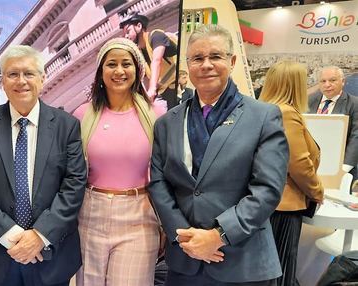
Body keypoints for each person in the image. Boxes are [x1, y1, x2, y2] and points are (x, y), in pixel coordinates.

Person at [148, 24, 288, 285]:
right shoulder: (168, 123)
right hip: (185, 260)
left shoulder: (263, 117)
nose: (206, 65)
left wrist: (218, 234)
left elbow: (267, 189)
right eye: (198, 58)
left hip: (241, 261)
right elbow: (158, 183)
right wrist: (184, 236)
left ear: (232, 61)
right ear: (187, 65)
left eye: (215, 56)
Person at [0, 45, 87, 286]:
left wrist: (39, 236)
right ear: (3, 81)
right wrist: (13, 236)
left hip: (51, 254)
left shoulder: (66, 125)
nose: (21, 81)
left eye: (29, 73)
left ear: (42, 78)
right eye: (12, 74)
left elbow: (74, 184)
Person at [72, 38, 160, 285]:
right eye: (111, 64)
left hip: (139, 216)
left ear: (137, 70)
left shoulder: (157, 115)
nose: (119, 71)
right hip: (89, 214)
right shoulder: (82, 114)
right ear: (101, 71)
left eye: (126, 64)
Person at [259, 60, 324, 286]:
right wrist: (318, 191)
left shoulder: (267, 110)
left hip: (270, 204)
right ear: (294, 85)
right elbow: (298, 163)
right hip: (284, 206)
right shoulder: (286, 114)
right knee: (282, 269)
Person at [307, 66, 358, 184]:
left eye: (332, 80)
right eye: (323, 81)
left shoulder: (354, 104)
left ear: (343, 82)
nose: (327, 85)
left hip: (342, 168)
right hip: (312, 166)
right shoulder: (309, 100)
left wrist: (344, 169)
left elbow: (356, 137)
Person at [121, 12, 178, 111]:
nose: (126, 36)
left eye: (128, 31)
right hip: (165, 92)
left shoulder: (156, 36)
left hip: (180, 84)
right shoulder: (139, 54)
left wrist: (152, 89)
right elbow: (146, 78)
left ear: (138, 26)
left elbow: (157, 61)